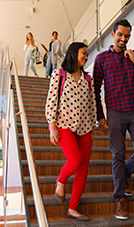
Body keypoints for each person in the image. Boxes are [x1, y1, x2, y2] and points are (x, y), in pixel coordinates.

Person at [93, 19, 134, 220]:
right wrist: (100, 117)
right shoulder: (101, 59)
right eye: (120, 35)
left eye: (127, 36)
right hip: (114, 113)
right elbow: (95, 90)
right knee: (117, 155)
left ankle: (125, 174)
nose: (123, 39)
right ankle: (120, 199)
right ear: (113, 34)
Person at [45, 42, 97, 221]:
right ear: (74, 53)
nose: (86, 57)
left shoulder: (88, 80)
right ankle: (60, 181)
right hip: (64, 125)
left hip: (85, 128)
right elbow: (52, 100)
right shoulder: (59, 75)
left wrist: (93, 129)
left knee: (83, 169)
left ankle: (73, 208)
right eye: (84, 53)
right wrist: (52, 126)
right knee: (75, 161)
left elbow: (92, 105)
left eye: (87, 54)